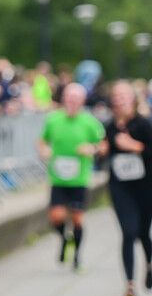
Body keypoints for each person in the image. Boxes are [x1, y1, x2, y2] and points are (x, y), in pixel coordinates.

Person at [98, 80, 152, 296]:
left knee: (143, 233)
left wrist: (135, 146)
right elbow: (102, 155)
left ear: (133, 99)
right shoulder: (108, 126)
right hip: (120, 186)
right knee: (128, 232)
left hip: (146, 186)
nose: (120, 100)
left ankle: (150, 264)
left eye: (124, 95)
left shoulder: (143, 125)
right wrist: (101, 151)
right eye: (116, 96)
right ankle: (130, 285)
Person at [38, 83, 104, 271]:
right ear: (63, 99)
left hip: (79, 178)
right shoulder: (53, 119)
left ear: (82, 101)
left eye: (76, 99)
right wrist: (44, 150)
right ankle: (65, 239)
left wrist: (91, 148)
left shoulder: (90, 122)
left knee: (77, 219)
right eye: (69, 98)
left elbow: (103, 144)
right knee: (56, 217)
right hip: (58, 178)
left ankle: (77, 257)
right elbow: (42, 141)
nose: (72, 102)